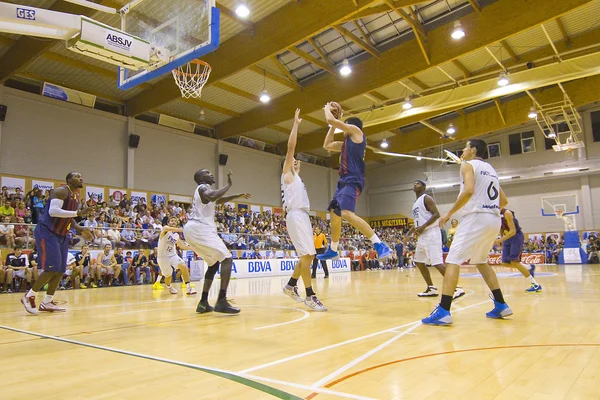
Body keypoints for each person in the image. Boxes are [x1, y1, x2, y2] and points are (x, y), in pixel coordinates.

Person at [422, 139, 512, 325]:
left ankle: (444, 311)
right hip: (494, 219)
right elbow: (503, 201)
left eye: (465, 147)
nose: (463, 150)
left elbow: (468, 190)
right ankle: (501, 304)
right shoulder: (491, 170)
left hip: (476, 217)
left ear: (472, 150)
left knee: (452, 261)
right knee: (481, 261)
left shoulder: (467, 165)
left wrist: (449, 213)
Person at [318, 102, 392, 261]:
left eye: (345, 125)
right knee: (335, 213)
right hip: (343, 181)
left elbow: (331, 121)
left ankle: (379, 244)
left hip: (353, 178)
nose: (343, 128)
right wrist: (333, 125)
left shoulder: (358, 133)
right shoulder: (345, 144)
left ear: (350, 126)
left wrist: (328, 111)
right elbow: (327, 145)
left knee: (346, 213)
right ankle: (333, 249)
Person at [21, 172, 94, 314]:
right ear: (68, 180)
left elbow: (67, 217)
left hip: (61, 234)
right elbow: (54, 212)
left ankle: (47, 302)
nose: (81, 178)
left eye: (81, 176)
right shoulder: (61, 191)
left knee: (60, 269)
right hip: (47, 231)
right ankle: (29, 296)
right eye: (77, 176)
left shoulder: (75, 196)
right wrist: (79, 213)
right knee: (51, 267)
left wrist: (80, 229)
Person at [184, 168, 250, 314]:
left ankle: (203, 302)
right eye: (207, 173)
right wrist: (229, 185)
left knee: (213, 265)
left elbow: (218, 200)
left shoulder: (203, 193)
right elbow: (214, 196)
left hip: (192, 230)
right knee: (227, 259)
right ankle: (221, 300)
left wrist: (236, 195)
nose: (211, 174)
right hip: (200, 229)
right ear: (201, 178)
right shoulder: (203, 188)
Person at [281, 109, 327, 311]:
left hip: (302, 216)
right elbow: (291, 147)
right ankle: (310, 295)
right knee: (307, 256)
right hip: (296, 215)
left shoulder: (294, 177)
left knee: (308, 256)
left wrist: (298, 172)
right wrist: (296, 125)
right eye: (292, 163)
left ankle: (291, 285)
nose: (293, 162)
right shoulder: (285, 174)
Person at [403, 180, 465, 299]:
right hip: (422, 235)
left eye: (418, 183)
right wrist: (408, 234)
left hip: (431, 233)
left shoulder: (427, 198)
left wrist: (423, 227)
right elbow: (417, 222)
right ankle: (431, 288)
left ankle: (457, 288)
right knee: (419, 262)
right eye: (414, 183)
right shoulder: (415, 203)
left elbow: (436, 214)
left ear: (424, 187)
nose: (415, 184)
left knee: (437, 262)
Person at [494, 209, 542, 292]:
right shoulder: (495, 214)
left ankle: (535, 284)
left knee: (514, 262)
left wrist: (500, 240)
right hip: (507, 238)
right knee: (505, 263)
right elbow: (501, 228)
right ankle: (528, 267)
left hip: (516, 237)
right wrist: (502, 238)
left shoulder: (507, 213)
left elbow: (513, 231)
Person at [156, 216, 196, 295]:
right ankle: (169, 286)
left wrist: (194, 248)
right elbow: (177, 229)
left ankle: (189, 288)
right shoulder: (165, 229)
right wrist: (184, 229)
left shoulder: (176, 236)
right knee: (168, 277)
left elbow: (182, 246)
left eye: (175, 221)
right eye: (172, 220)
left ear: (177, 224)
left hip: (173, 256)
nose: (173, 222)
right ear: (168, 223)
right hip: (163, 258)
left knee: (184, 267)